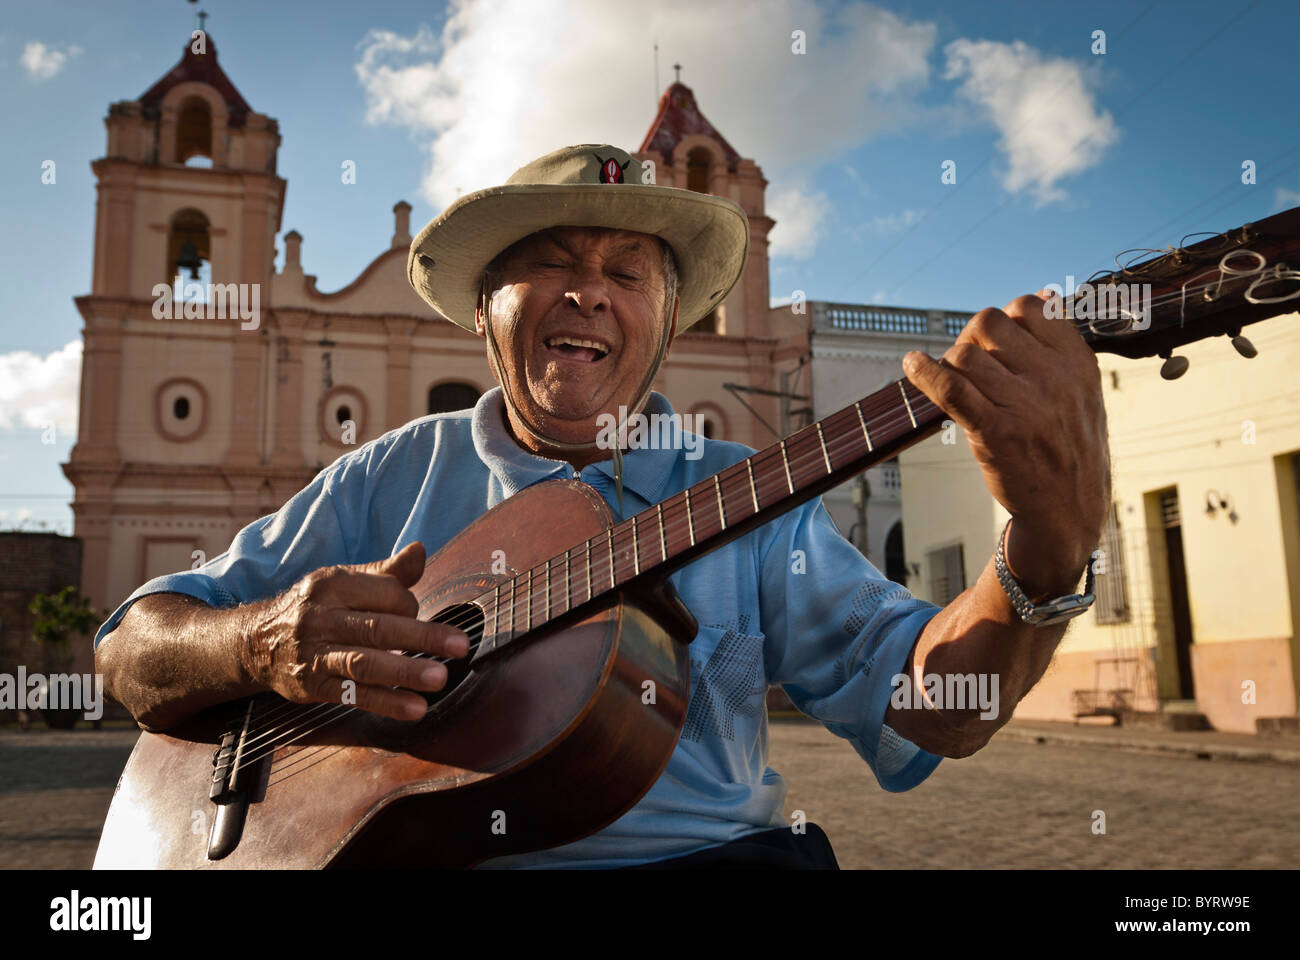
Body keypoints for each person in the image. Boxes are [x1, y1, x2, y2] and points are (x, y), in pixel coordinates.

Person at [93, 143, 1110, 869]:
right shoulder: (384, 477)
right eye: (550, 264)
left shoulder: (744, 492)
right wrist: (261, 640)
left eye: (628, 275)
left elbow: (937, 712)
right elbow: (132, 648)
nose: (588, 295)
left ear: (667, 323)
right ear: (485, 308)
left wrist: (1044, 558)